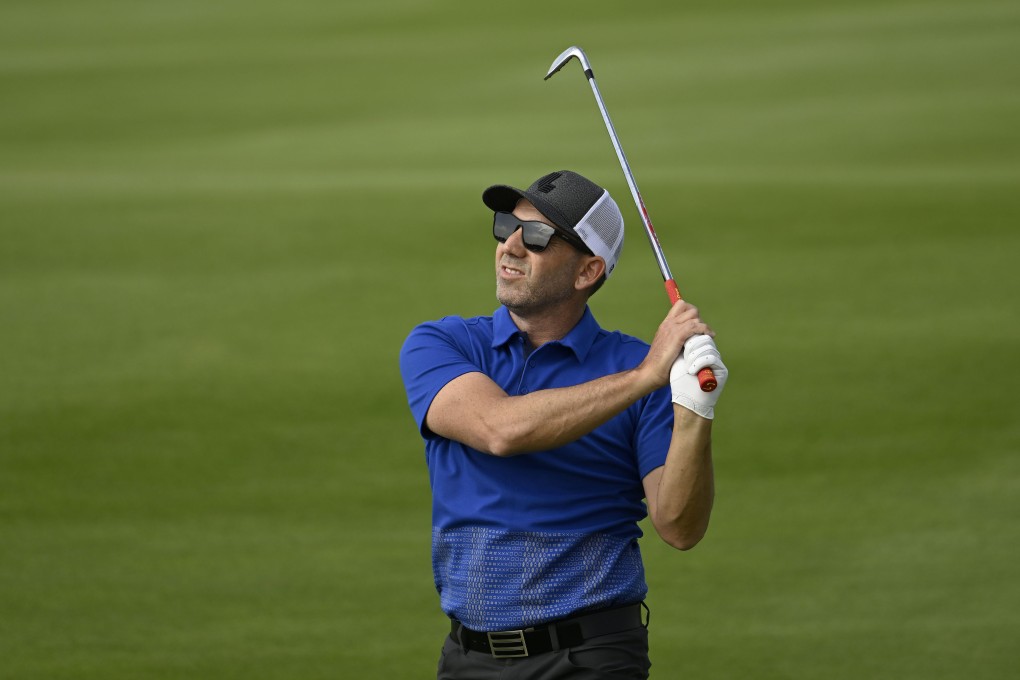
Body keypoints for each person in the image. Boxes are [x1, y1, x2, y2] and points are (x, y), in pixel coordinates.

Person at [399, 169, 728, 679]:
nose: (509, 246)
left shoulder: (644, 371)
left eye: (535, 237)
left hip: (591, 659)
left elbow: (680, 528)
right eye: (506, 226)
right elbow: (500, 430)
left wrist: (695, 413)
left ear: (586, 272)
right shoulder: (443, 343)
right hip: (467, 659)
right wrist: (642, 378)